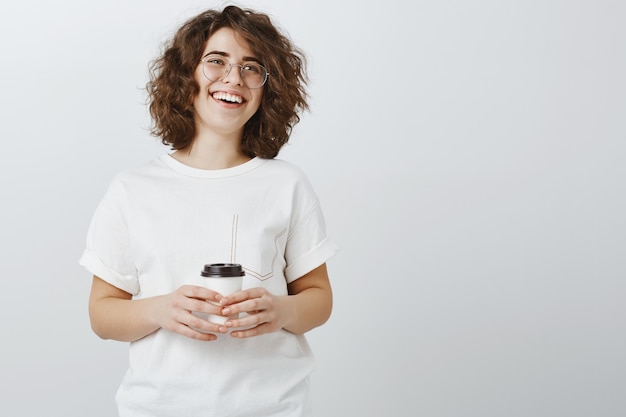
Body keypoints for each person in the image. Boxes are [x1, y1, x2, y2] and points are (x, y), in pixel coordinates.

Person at [79, 5, 338, 417]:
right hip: (157, 407)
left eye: (252, 67)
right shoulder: (133, 189)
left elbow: (319, 300)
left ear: (267, 89)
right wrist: (159, 309)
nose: (234, 77)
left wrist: (281, 310)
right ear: (186, 76)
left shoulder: (286, 184)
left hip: (271, 407)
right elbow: (102, 314)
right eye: (216, 61)